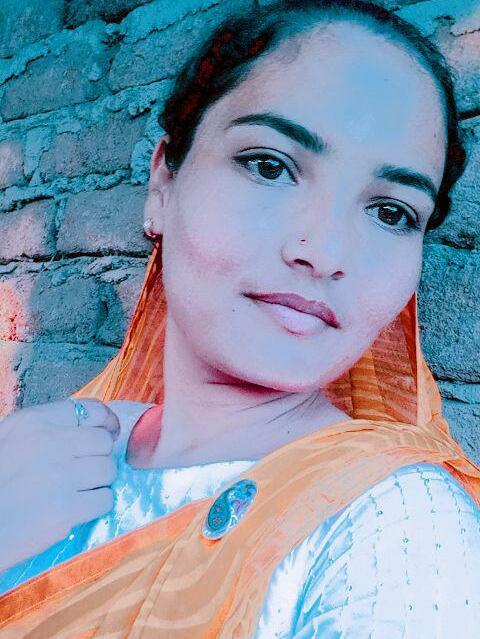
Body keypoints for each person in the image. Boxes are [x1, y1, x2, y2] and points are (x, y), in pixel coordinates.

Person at [0, 0, 479, 636]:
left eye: (391, 212)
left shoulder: (396, 528)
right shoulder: (56, 449)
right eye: (269, 166)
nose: (323, 252)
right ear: (162, 185)